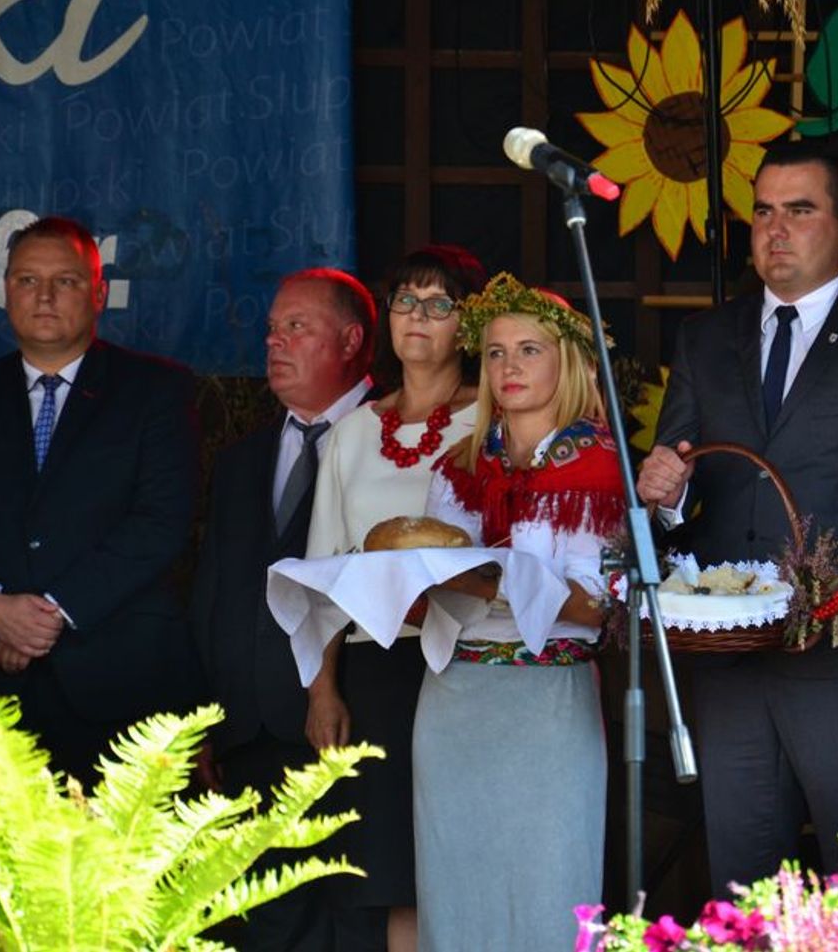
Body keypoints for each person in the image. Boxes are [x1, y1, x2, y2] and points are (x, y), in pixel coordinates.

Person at [636, 142, 838, 889]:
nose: (775, 230)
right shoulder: (705, 338)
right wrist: (668, 492)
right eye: (762, 212)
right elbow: (680, 475)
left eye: (799, 210)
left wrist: (829, 590)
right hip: (730, 663)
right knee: (743, 890)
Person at [0, 216, 200, 779]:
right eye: (27, 280)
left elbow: (160, 523)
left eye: (66, 281)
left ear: (99, 293)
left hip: (119, 687)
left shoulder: (156, 392)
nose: (45, 296)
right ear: (6, 291)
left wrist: (46, 614)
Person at [413, 272, 621, 952]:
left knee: (550, 888)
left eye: (529, 350)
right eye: (496, 353)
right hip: (453, 698)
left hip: (548, 699)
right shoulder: (458, 465)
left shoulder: (604, 470)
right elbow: (430, 594)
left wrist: (497, 582)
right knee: (455, 891)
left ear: (569, 361)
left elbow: (600, 610)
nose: (509, 366)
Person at [190, 267, 379, 952]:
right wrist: (204, 719)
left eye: (297, 327)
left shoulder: (397, 438)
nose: (275, 342)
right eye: (273, 329)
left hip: (357, 728)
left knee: (358, 919)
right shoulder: (242, 458)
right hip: (249, 736)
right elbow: (213, 595)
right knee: (268, 923)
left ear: (351, 340)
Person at [301, 247, 484, 952]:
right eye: (406, 300)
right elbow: (323, 575)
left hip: (467, 660)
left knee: (463, 856)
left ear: (468, 324)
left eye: (440, 304)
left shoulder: (492, 419)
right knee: (396, 867)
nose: (419, 316)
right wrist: (323, 690)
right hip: (377, 664)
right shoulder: (353, 432)